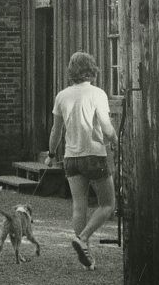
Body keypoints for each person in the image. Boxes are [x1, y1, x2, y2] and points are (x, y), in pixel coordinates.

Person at [46, 51, 118, 269]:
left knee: (79, 206)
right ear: (92, 69)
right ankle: (83, 238)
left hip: (71, 158)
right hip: (94, 155)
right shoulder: (98, 94)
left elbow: (56, 131)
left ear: (71, 70)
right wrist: (115, 139)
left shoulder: (62, 96)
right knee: (108, 204)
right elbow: (106, 127)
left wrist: (51, 154)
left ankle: (86, 258)